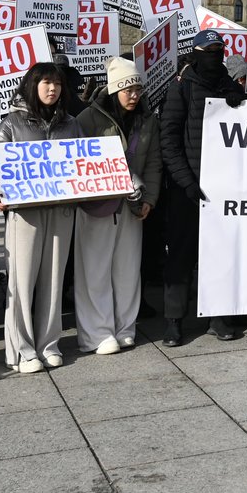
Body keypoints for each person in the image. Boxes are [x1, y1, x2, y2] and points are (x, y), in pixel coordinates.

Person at [0, 62, 80, 372]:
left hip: (61, 212)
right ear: (32, 86)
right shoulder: (11, 124)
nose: (53, 89)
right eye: (46, 83)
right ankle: (22, 350)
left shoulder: (71, 124)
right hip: (25, 215)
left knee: (53, 281)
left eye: (58, 84)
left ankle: (49, 343)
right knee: (21, 282)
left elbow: (83, 162)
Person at [159, 30, 246, 343]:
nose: (215, 54)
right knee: (181, 255)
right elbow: (168, 138)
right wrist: (186, 181)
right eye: (208, 50)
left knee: (221, 254)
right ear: (196, 53)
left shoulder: (227, 84)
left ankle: (219, 317)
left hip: (223, 187)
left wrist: (240, 105)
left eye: (219, 49)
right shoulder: (181, 86)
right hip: (189, 189)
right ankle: (174, 320)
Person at [73, 58, 161, 354]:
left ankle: (125, 327)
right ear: (114, 91)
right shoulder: (87, 119)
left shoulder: (147, 119)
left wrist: (149, 199)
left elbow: (153, 163)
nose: (134, 95)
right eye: (127, 89)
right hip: (98, 206)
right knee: (94, 270)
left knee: (127, 270)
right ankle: (96, 333)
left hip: (133, 206)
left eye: (137, 89)